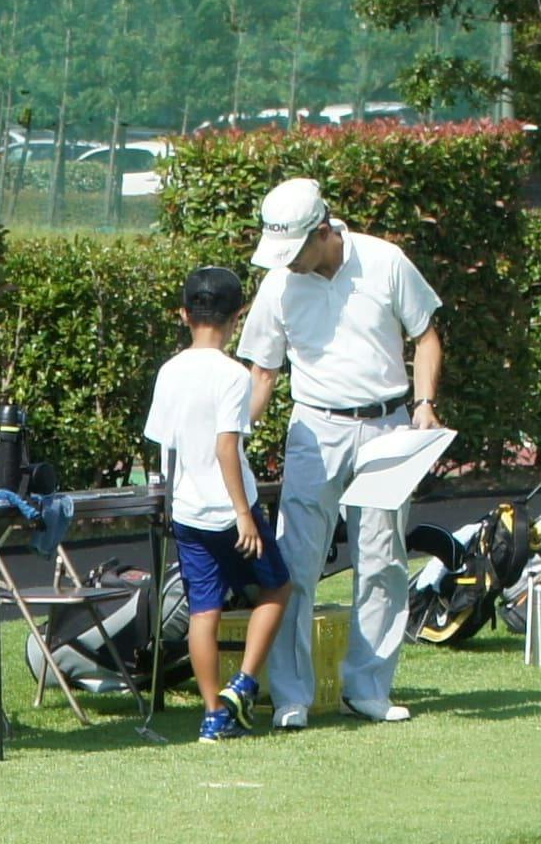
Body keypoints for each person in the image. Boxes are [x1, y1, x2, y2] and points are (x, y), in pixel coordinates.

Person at [233, 174, 446, 729]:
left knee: (382, 561)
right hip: (314, 429)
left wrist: (425, 402)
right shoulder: (278, 285)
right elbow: (262, 374)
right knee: (296, 564)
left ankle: (368, 688)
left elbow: (425, 335)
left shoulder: (385, 261)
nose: (287, 262)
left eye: (294, 250)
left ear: (323, 231)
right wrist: (233, 437)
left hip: (387, 426)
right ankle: (292, 697)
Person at [144, 264, 288, 743]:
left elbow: (167, 444)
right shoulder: (232, 374)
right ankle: (244, 683)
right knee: (277, 588)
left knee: (204, 611)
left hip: (188, 511)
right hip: (231, 510)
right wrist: (244, 513)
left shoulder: (169, 372)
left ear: (184, 314)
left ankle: (213, 716)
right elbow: (228, 445)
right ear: (237, 317)